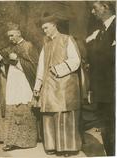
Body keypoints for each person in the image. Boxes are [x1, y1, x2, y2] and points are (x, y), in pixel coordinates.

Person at [33, 12, 82, 156]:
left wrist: (58, 69)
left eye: (46, 27)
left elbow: (75, 60)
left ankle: (67, 148)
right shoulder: (46, 45)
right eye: (43, 29)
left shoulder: (67, 39)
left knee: (64, 115)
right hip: (49, 87)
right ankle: (52, 146)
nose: (45, 31)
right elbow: (40, 67)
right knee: (49, 114)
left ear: (54, 25)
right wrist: (37, 87)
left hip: (64, 86)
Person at [0, 22, 39, 151]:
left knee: (24, 109)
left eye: (12, 35)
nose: (10, 38)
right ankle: (11, 141)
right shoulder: (10, 48)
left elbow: (35, 67)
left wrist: (17, 61)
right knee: (12, 109)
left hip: (25, 82)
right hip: (13, 82)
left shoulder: (28, 46)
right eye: (8, 36)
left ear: (18, 33)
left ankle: (27, 141)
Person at [86, 1, 115, 156]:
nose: (92, 11)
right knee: (107, 127)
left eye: (95, 8)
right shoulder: (99, 32)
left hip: (113, 89)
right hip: (103, 91)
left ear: (106, 7)